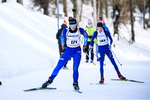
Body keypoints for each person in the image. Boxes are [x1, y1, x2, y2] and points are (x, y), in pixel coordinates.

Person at [42, 17, 88, 90]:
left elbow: (86, 35)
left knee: (75, 68)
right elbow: (62, 37)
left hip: (77, 51)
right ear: (69, 25)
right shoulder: (65, 31)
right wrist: (63, 45)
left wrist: (85, 45)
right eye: (71, 25)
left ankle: (75, 83)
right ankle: (49, 80)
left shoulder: (80, 30)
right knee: (59, 66)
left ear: (76, 25)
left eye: (74, 25)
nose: (73, 27)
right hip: (68, 50)